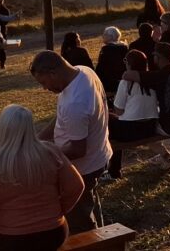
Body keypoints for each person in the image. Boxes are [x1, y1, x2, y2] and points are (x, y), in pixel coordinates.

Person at [0, 105, 83, 251]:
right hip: (53, 233)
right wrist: (59, 211)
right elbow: (77, 186)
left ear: (2, 129)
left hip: (9, 239)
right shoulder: (51, 153)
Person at [31, 51, 111, 233]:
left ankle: (92, 241)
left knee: (79, 220)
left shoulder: (76, 102)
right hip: (98, 154)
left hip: (83, 167)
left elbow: (77, 149)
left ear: (53, 73)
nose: (44, 88)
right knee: (88, 203)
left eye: (43, 82)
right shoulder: (83, 72)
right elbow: (61, 118)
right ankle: (101, 235)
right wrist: (37, 140)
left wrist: (44, 154)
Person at [105, 50, 169, 178]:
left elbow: (119, 110)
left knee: (107, 119)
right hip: (150, 127)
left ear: (129, 64)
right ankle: (166, 155)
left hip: (131, 131)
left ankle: (113, 171)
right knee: (116, 121)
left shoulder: (126, 83)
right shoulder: (151, 80)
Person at [94, 27, 129, 97]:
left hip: (110, 82)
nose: (103, 36)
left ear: (110, 36)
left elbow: (101, 67)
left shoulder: (106, 50)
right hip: (123, 79)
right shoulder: (124, 48)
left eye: (105, 34)